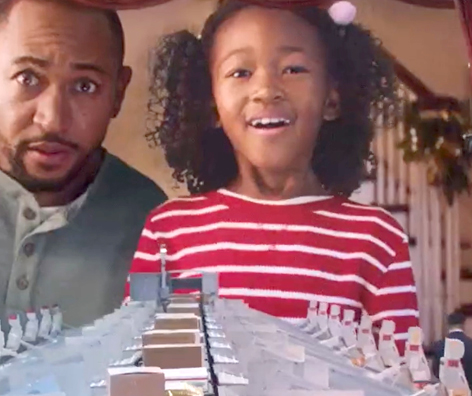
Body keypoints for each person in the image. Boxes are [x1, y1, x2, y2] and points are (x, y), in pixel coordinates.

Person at [127, 0, 418, 350]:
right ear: (211, 104)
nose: (266, 90)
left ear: (332, 99)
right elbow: (140, 360)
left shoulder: (376, 238)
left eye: (293, 69)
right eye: (240, 72)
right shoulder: (169, 230)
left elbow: (399, 376)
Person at [0, 0, 166, 359]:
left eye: (85, 86)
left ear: (118, 93)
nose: (52, 119)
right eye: (28, 78)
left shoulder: (147, 218)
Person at [428, 312, 472, 390]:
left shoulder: (438, 346)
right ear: (463, 325)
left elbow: (436, 372)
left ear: (448, 325)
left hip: (446, 392)